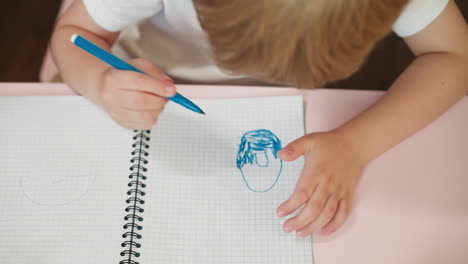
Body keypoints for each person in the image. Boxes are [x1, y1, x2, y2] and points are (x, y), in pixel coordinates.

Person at [51, 0, 468, 237]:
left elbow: (456, 58)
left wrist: (355, 143)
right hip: (140, 65)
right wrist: (101, 81)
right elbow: (72, 35)